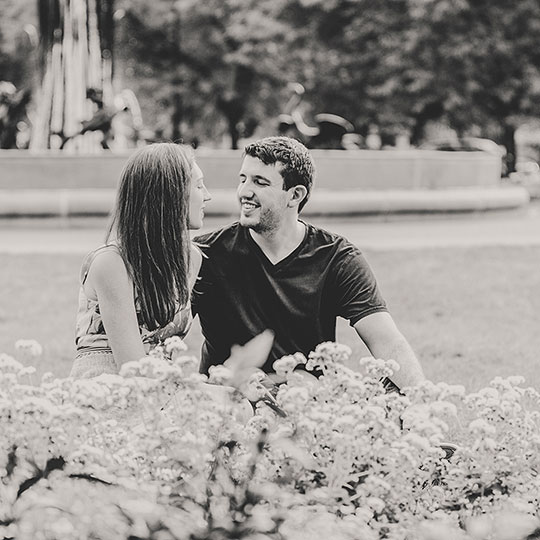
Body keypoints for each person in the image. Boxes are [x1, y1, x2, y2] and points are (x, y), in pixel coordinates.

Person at [193, 136, 425, 391]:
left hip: (308, 405)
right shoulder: (205, 254)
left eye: (260, 182)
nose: (244, 192)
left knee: (389, 396)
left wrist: (419, 405)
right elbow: (162, 338)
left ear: (295, 195)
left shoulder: (336, 257)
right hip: (227, 404)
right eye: (243, 179)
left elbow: (388, 343)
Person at [70, 143, 211, 378]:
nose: (207, 195)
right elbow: (132, 367)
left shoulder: (191, 259)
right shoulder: (111, 264)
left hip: (157, 387)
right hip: (106, 384)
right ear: (170, 195)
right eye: (198, 186)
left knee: (236, 404)